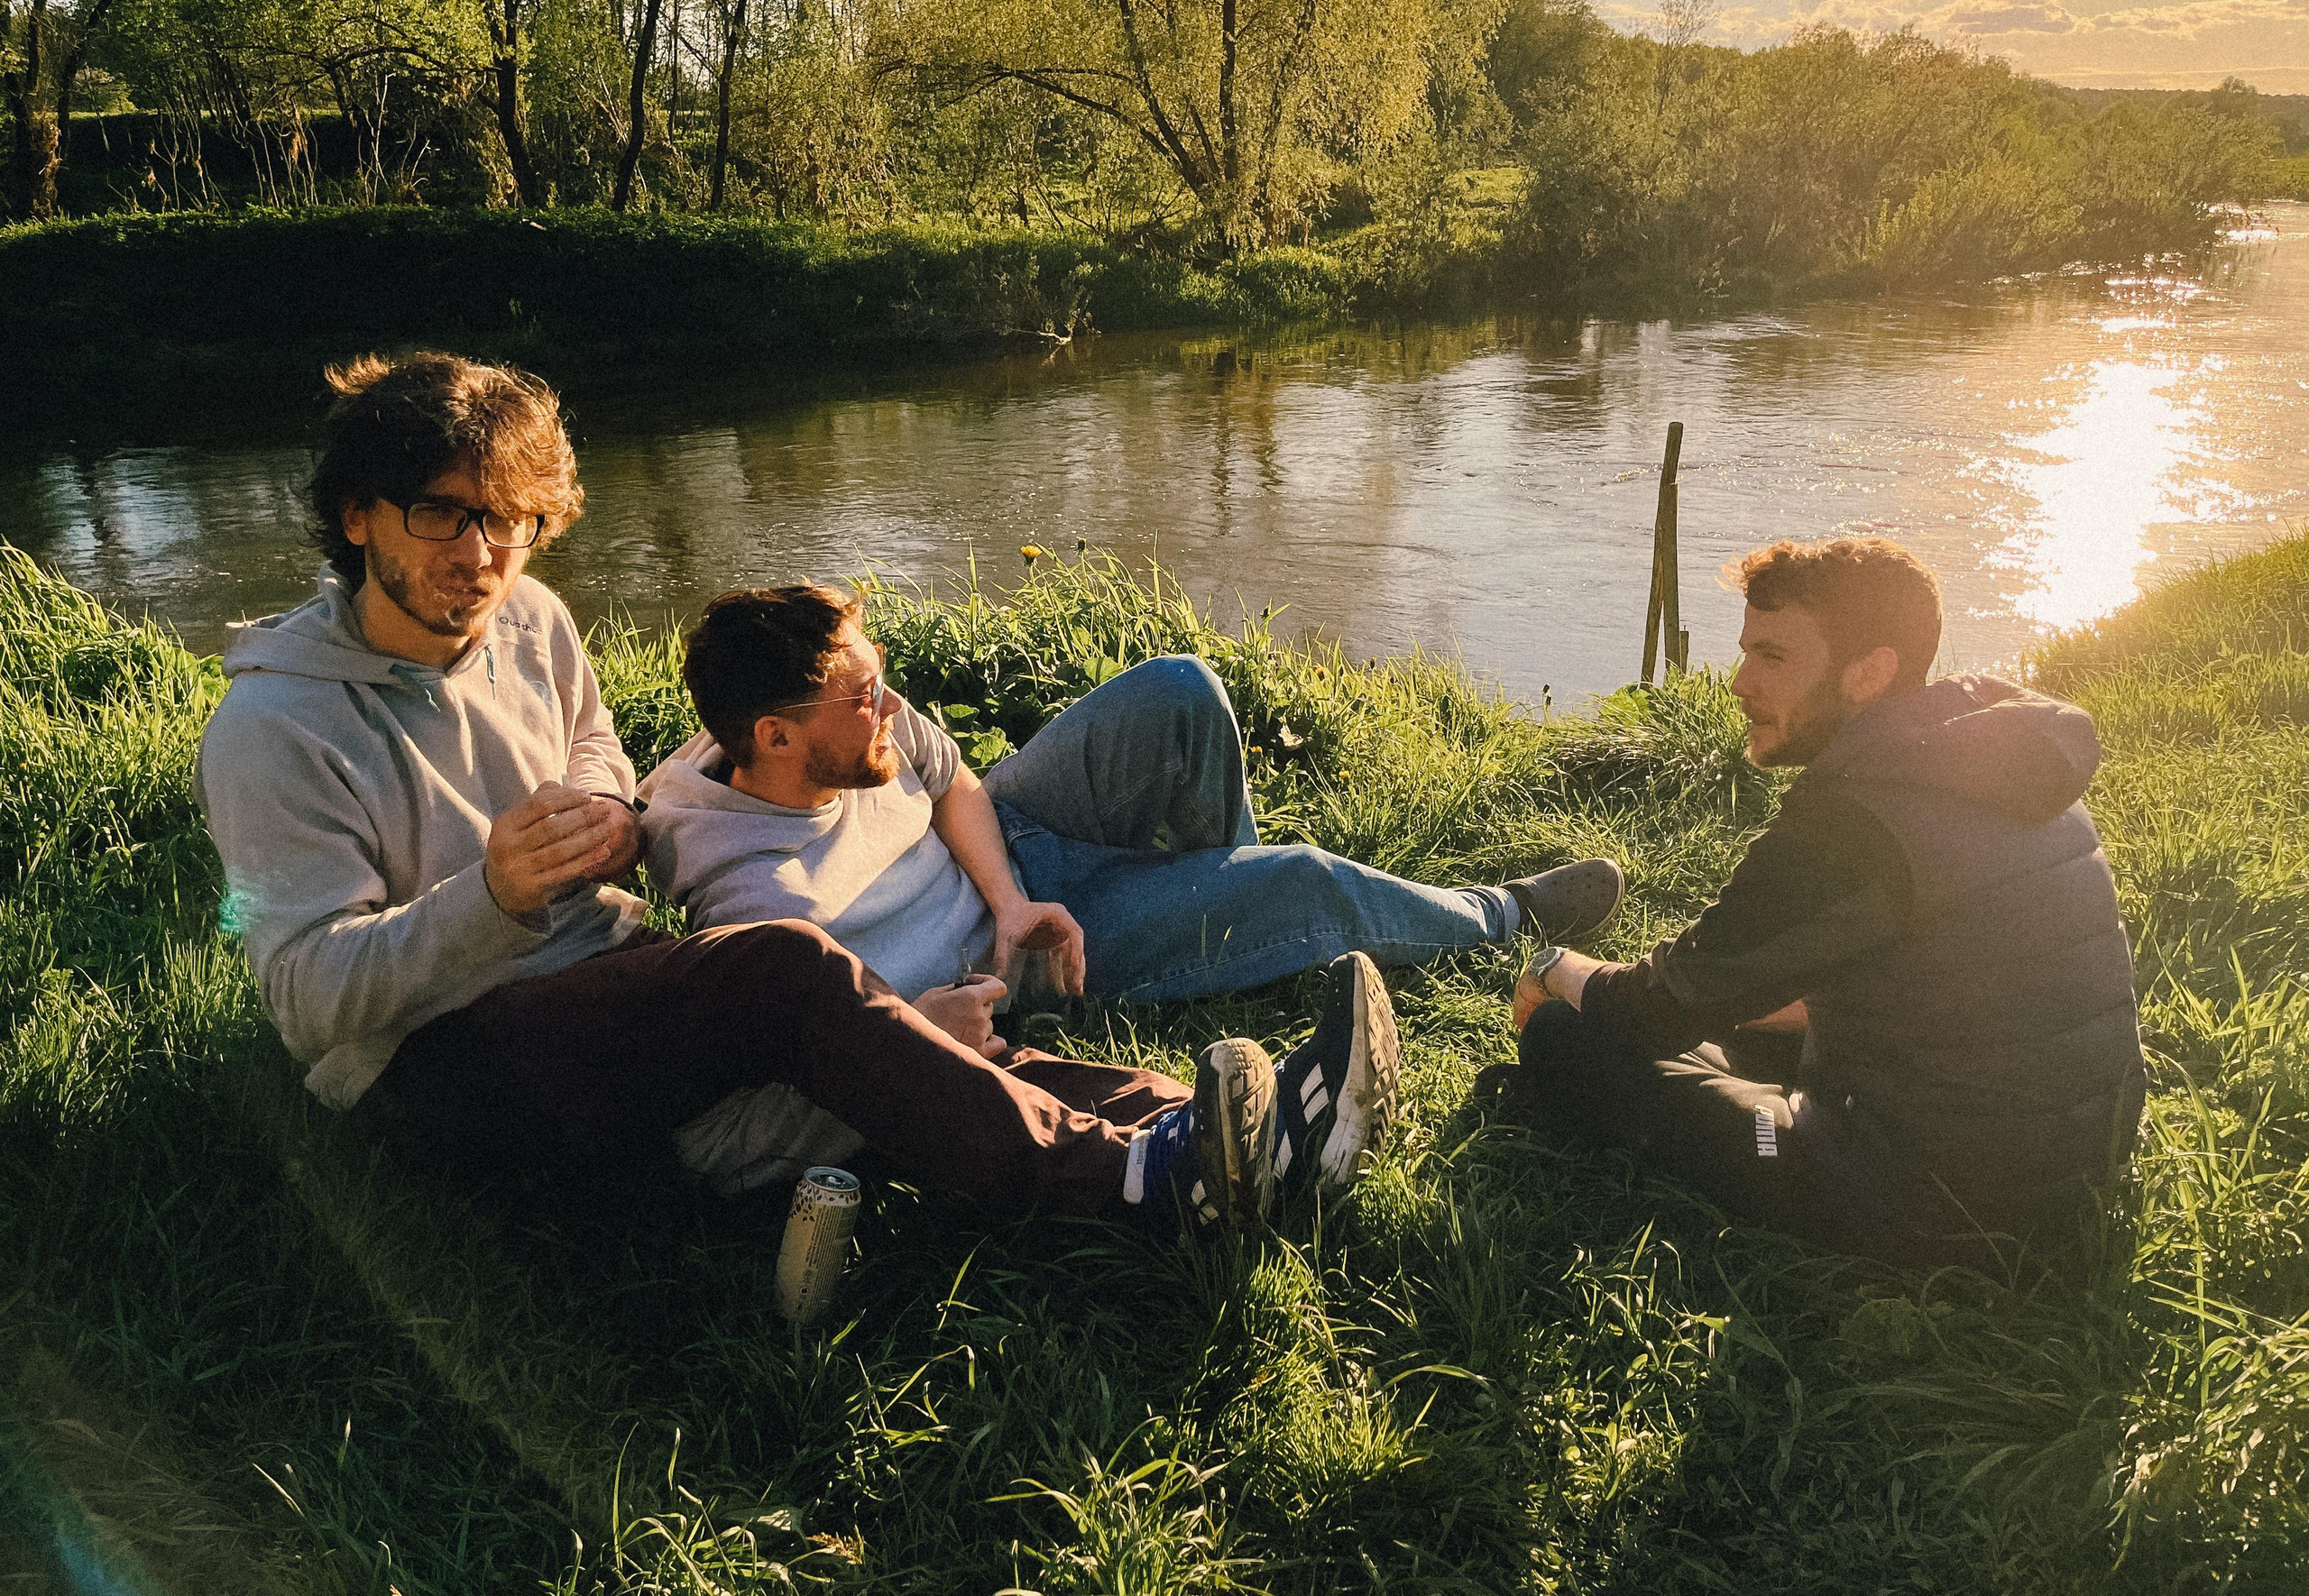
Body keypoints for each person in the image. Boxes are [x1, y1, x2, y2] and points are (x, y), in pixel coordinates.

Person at [192, 351, 1381, 1244]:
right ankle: (1145, 1190)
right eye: (442, 513)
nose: (482, 554)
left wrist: (606, 818)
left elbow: (598, 752)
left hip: (598, 980)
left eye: (507, 520)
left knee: (868, 1052)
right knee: (787, 973)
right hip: (435, 1068)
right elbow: (308, 1004)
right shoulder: (274, 729)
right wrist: (492, 895)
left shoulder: (532, 623)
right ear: (357, 517)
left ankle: (1226, 1134)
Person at [634, 586, 1626, 1179]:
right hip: (1031, 957)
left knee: (1180, 688)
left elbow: (953, 778)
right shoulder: (759, 899)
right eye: (864, 696)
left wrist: (1010, 890)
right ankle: (1500, 914)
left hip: (1013, 862)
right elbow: (818, 1066)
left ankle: (1224, 905)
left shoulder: (775, 739)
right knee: (1306, 880)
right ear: (776, 737)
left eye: (880, 670)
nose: (890, 701)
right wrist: (942, 1017)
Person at [1481, 537, 2144, 1270]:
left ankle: (1765, 1123)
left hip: (1940, 1204)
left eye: (1772, 657)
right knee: (1720, 1021)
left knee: (1568, 1037)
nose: (1737, 682)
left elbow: (1657, 1007)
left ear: (1870, 672)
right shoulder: (2005, 763)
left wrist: (1557, 966)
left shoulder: (1852, 823)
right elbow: (1918, 981)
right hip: (2081, 1157)